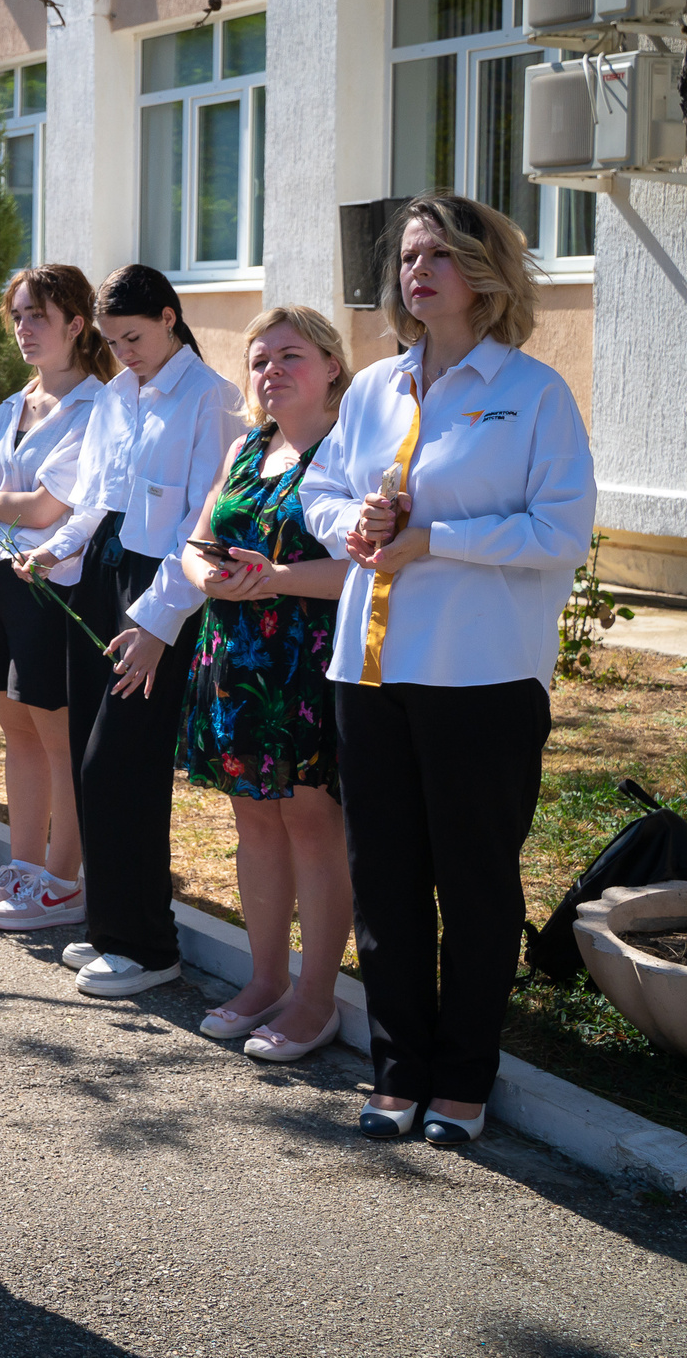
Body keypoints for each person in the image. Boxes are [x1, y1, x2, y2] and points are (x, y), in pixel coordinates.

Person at [301, 194, 594, 1144]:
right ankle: (398, 1069)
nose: (414, 272)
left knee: (473, 881)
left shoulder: (535, 391)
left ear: (484, 272)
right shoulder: (377, 388)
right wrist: (350, 525)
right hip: (371, 672)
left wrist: (436, 541)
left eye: (437, 256)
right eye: (408, 258)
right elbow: (322, 489)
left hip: (483, 677)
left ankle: (464, 1076)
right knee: (382, 877)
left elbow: (562, 532)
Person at [18, 264, 243, 998]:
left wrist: (157, 621)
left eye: (136, 336)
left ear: (172, 319)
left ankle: (149, 946)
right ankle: (110, 930)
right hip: (102, 577)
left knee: (123, 765)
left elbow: (198, 529)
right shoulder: (119, 393)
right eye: (113, 341)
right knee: (92, 756)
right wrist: (56, 548)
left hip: (159, 588)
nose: (125, 352)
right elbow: (99, 498)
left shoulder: (210, 400)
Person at [169, 305, 354, 1064]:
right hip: (236, 658)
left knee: (312, 824)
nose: (271, 370)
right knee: (253, 823)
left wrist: (276, 579)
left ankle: (316, 998)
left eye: (290, 355)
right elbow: (196, 539)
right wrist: (206, 576)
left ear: (331, 366)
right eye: (260, 359)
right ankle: (266, 977)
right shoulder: (249, 445)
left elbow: (361, 569)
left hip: (305, 662)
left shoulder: (348, 450)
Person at [0, 265, 109, 930]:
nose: (26, 328)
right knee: (17, 735)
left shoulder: (97, 406)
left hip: (50, 585)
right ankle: (26, 866)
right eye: (20, 315)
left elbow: (44, 508)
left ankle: (64, 881)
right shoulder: (10, 407)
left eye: (40, 314)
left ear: (76, 323)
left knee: (57, 739)